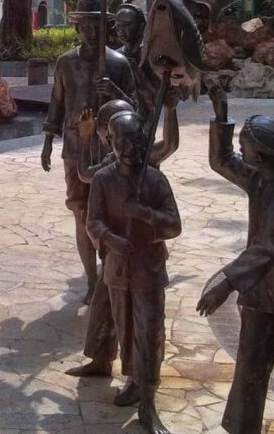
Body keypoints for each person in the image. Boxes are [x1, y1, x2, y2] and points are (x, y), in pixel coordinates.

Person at [197, 82, 274, 434]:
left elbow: (265, 249)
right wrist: (221, 116)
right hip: (260, 299)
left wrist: (224, 284)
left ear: (260, 156)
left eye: (244, 146)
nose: (240, 150)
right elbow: (221, 160)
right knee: (249, 371)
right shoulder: (262, 178)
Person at [86, 111, 181, 434]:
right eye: (121, 141)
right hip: (117, 269)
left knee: (149, 333)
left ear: (144, 140)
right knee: (126, 330)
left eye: (136, 141)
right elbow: (93, 221)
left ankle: (148, 401)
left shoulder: (154, 180)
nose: (129, 149)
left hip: (148, 270)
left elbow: (174, 225)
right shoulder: (103, 179)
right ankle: (135, 381)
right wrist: (112, 239)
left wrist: (144, 213)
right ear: (110, 141)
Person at [42, 0, 135, 305]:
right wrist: (48, 141)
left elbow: (135, 109)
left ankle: (110, 275)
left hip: (110, 149)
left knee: (108, 215)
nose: (92, 33)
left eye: (98, 26)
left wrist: (115, 92)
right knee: (81, 213)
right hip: (74, 148)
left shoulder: (118, 64)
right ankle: (92, 280)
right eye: (86, 26)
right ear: (77, 27)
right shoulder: (66, 63)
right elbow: (57, 102)